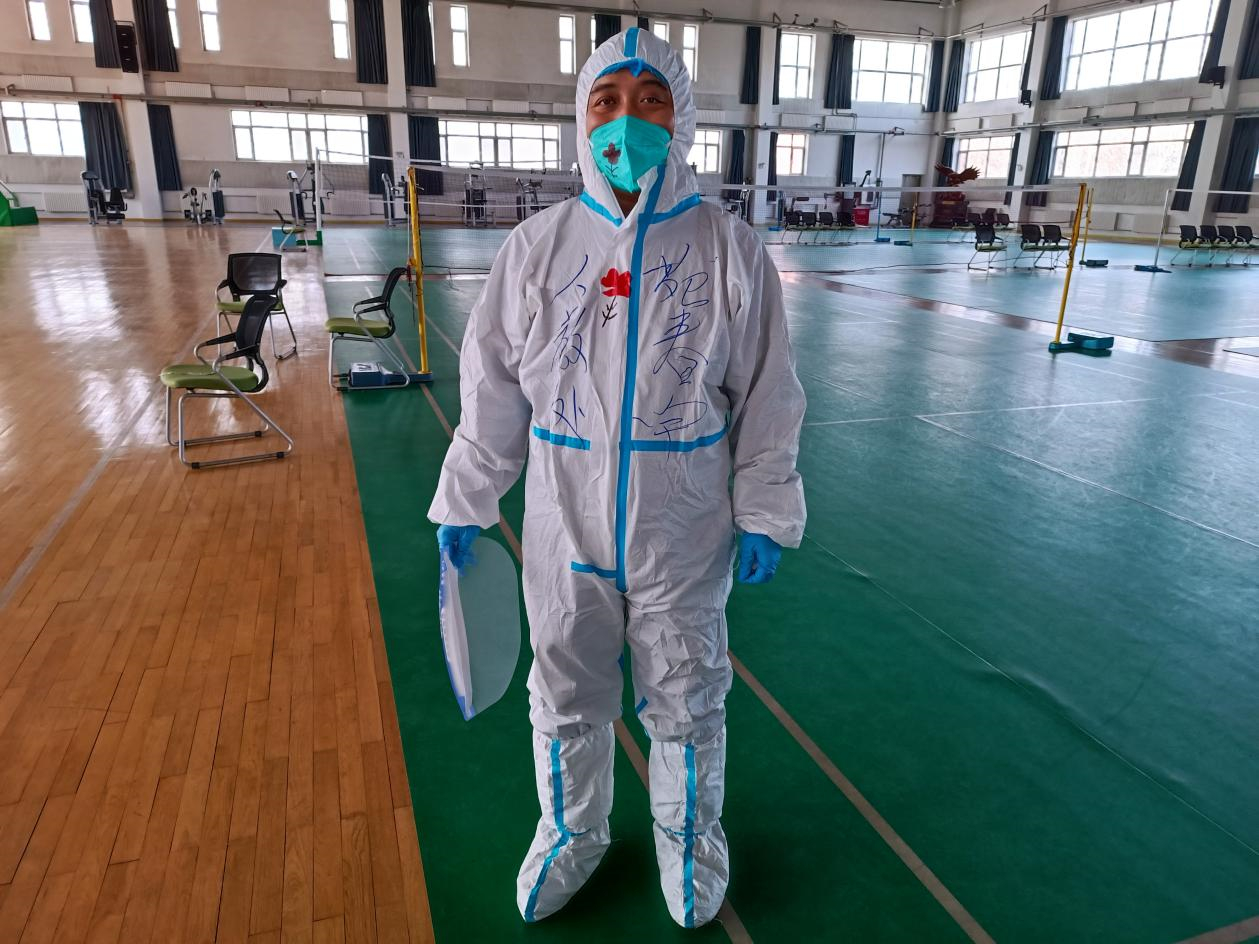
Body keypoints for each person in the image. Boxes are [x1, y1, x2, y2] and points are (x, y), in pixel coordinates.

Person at [427, 27, 805, 929]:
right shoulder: (538, 246)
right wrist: (467, 497)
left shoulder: (728, 249)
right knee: (563, 685)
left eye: (649, 100)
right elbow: (491, 386)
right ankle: (571, 830)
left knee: (686, 690)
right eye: (606, 101)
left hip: (683, 524)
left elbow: (768, 393)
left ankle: (688, 837)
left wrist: (762, 508)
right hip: (561, 519)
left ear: (682, 118)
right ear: (580, 117)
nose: (625, 122)